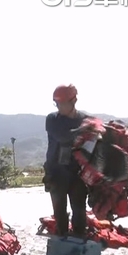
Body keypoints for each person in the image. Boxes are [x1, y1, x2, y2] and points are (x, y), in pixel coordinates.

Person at [44, 84, 90, 238]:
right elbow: (63, 137)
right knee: (60, 213)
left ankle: (79, 239)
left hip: (78, 173)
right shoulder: (52, 119)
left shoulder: (85, 120)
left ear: (74, 100)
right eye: (56, 104)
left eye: (61, 103)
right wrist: (85, 130)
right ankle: (62, 238)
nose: (58, 107)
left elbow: (93, 147)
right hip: (56, 173)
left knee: (79, 211)